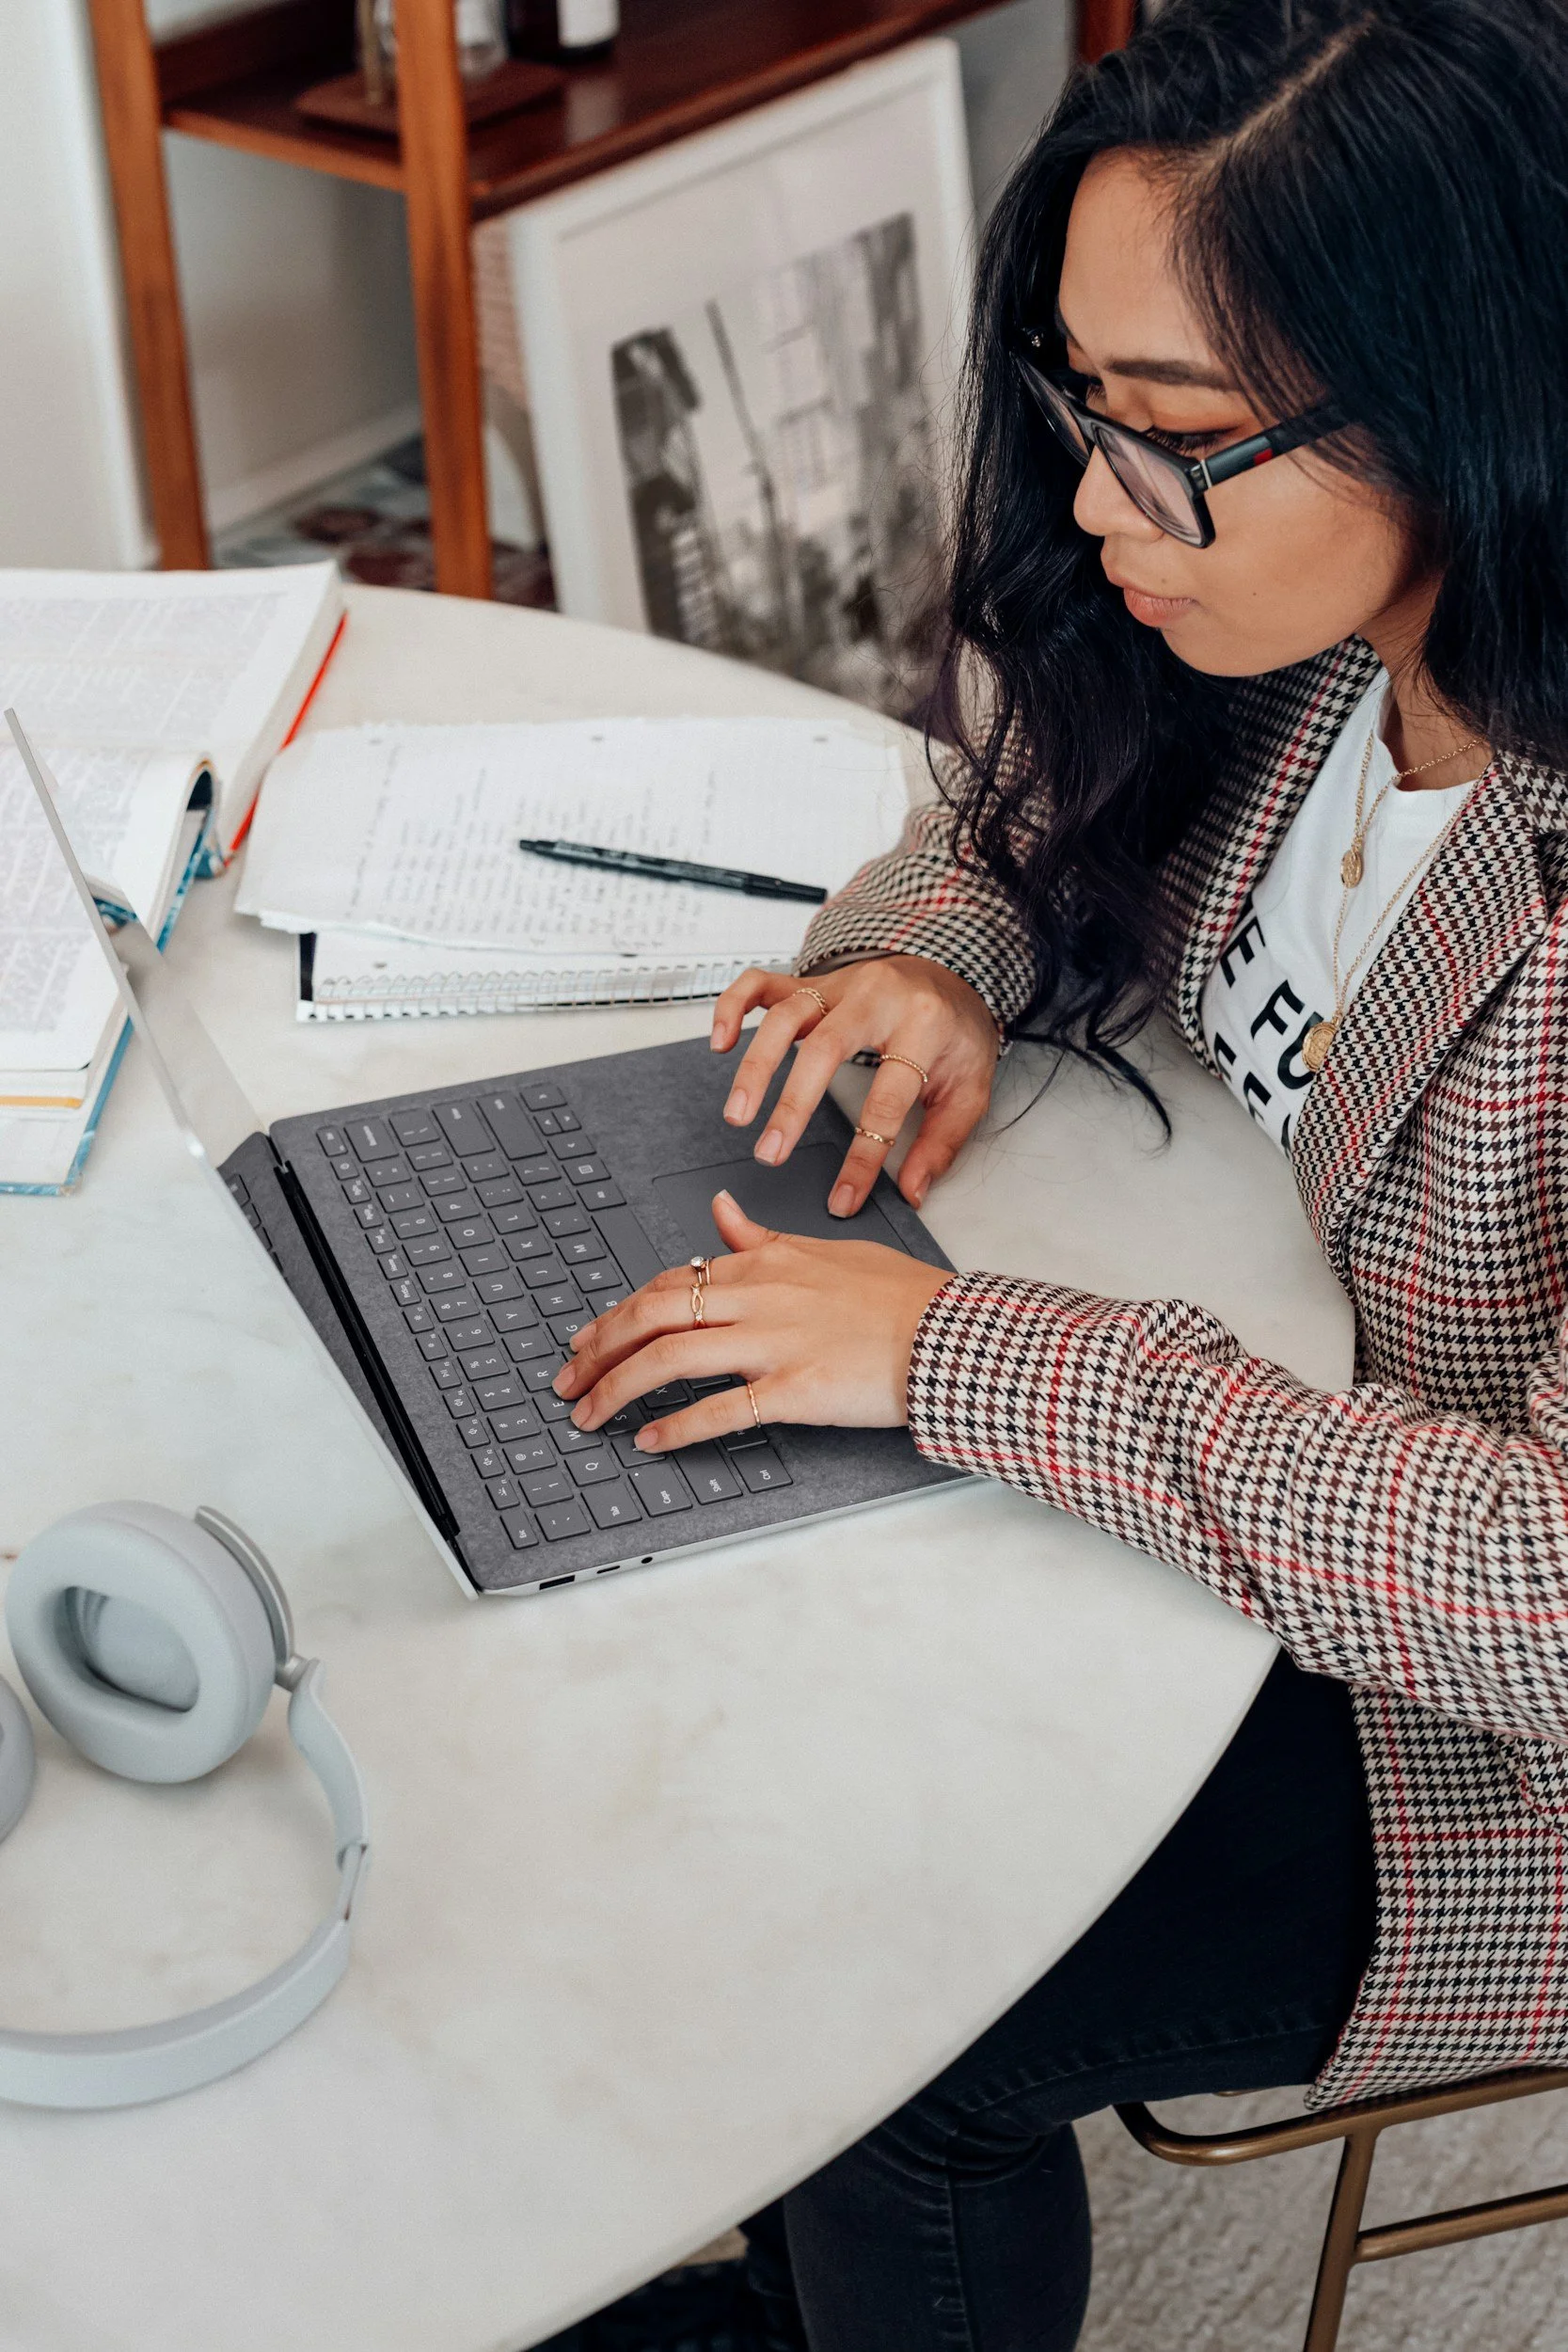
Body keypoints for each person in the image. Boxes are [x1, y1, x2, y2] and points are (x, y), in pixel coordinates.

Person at [553, 1, 1568, 2341]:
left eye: (1180, 440)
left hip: (1456, 1737)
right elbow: (1027, 822)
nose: (1101, 506)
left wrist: (957, 1355)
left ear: (1478, 391)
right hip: (1218, 1457)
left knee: (880, 2022)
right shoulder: (1305, 628)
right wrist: (930, 957)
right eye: (1082, 410)